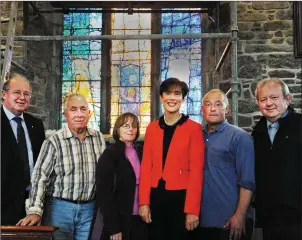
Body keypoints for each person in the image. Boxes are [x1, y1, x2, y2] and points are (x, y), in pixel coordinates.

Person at [17, 93, 106, 240]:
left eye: (83, 109)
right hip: (59, 210)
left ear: (89, 114)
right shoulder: (54, 141)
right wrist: (35, 210)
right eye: (73, 109)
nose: (79, 114)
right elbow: (40, 177)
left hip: (89, 210)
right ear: (65, 114)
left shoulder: (98, 139)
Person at [139, 77, 205, 240]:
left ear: (182, 99)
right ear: (161, 97)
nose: (172, 98)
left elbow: (197, 172)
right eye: (168, 93)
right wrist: (144, 202)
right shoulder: (152, 128)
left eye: (177, 94)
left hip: (181, 199)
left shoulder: (194, 129)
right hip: (156, 197)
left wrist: (192, 210)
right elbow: (146, 167)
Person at [194, 89, 255, 240]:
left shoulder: (240, 137)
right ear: (203, 110)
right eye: (208, 104)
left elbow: (248, 181)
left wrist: (240, 216)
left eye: (218, 104)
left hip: (229, 220)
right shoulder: (196, 137)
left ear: (227, 109)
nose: (213, 108)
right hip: (199, 220)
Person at [252, 78, 301, 240]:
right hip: (269, 217)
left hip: (297, 216)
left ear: (287, 99)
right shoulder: (257, 133)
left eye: (274, 98)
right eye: (263, 99)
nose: (268, 103)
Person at [93, 112, 147, 240]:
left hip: (140, 218)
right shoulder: (110, 154)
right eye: (126, 126)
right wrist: (113, 227)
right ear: (118, 129)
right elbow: (104, 193)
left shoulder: (141, 152)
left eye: (134, 126)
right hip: (118, 220)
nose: (130, 129)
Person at [1, 73, 45, 225]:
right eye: (17, 92)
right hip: (3, 205)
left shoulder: (36, 125)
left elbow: (41, 163)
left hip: (33, 204)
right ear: (4, 94)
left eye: (26, 94)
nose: (22, 97)